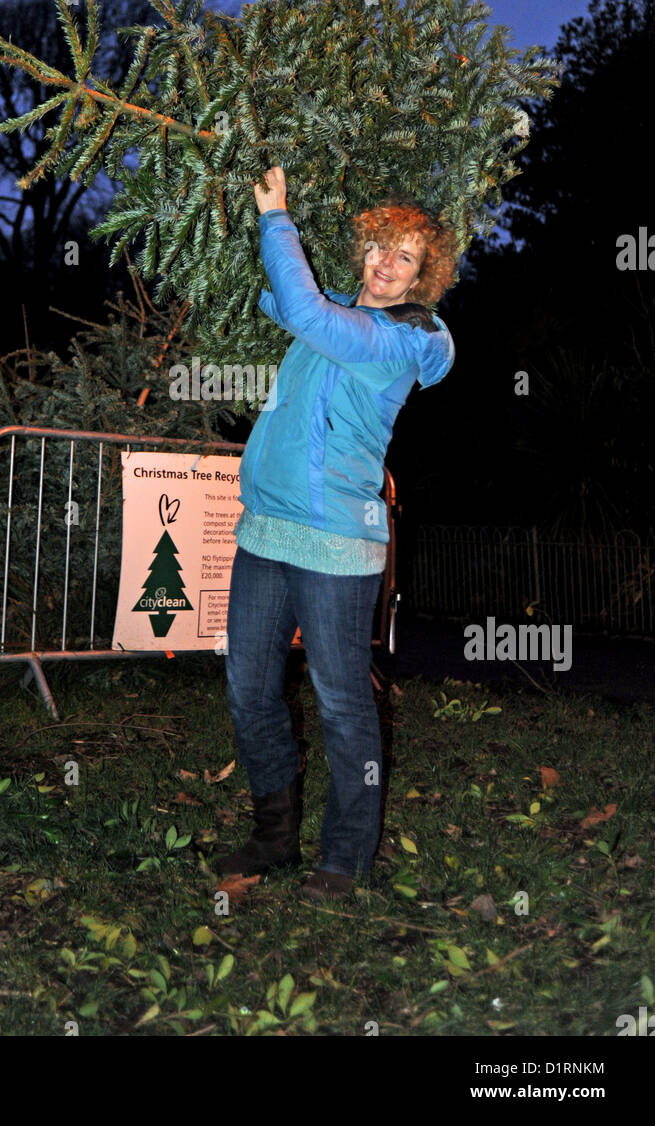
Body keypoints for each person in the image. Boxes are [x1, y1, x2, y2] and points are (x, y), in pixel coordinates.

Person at [216, 165, 458, 901]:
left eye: (404, 257)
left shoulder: (400, 339)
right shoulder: (329, 320)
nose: (385, 263)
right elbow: (292, 307)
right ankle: (273, 833)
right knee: (248, 690)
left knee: (342, 701)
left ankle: (344, 857)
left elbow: (307, 313)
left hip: (335, 544)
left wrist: (274, 216)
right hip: (264, 532)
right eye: (378, 247)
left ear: (424, 278)